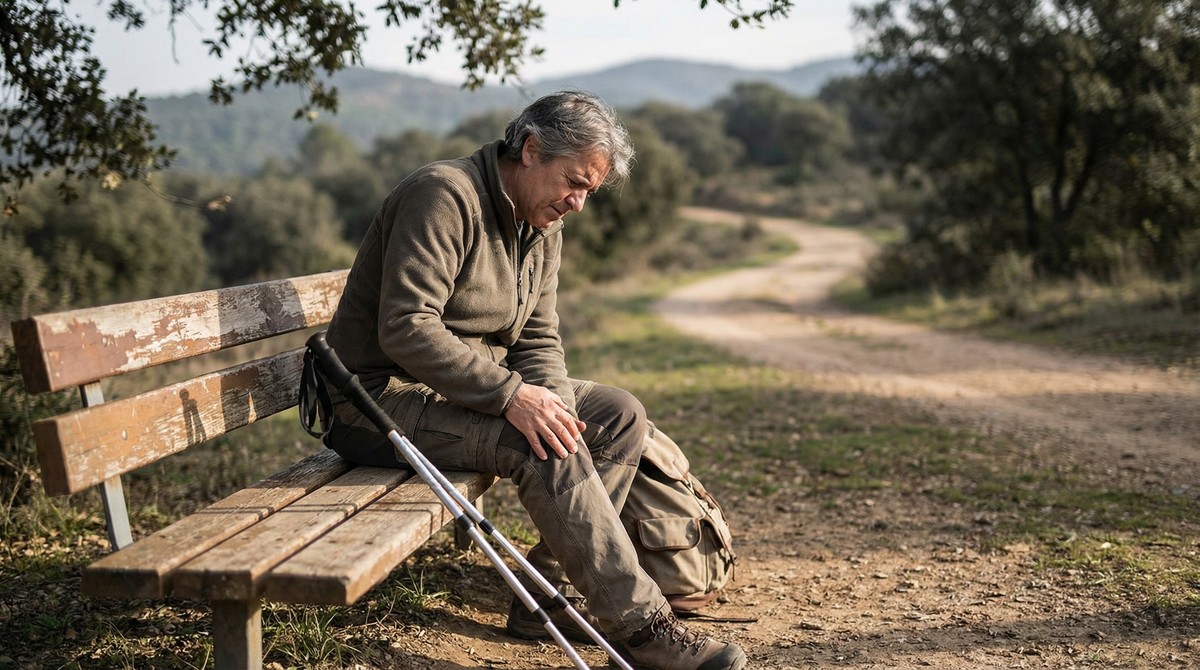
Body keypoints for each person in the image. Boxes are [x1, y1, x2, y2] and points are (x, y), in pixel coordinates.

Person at [323, 90, 747, 670]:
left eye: (588, 192)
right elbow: (406, 328)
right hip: (374, 403)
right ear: (530, 150)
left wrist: (550, 400)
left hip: (458, 393)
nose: (577, 203)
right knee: (538, 442)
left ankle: (550, 598)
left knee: (617, 415)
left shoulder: (540, 224)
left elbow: (538, 338)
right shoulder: (443, 195)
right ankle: (645, 629)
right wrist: (513, 397)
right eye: (572, 182)